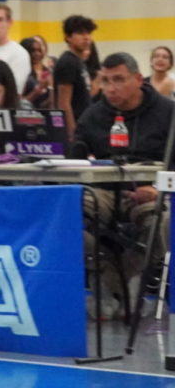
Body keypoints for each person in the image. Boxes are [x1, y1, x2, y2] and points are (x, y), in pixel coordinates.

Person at [75, 53, 175, 312]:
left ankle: (125, 277)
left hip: (153, 193)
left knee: (162, 224)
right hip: (104, 191)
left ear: (139, 79)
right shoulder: (93, 115)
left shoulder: (168, 113)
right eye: (105, 80)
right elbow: (73, 159)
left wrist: (158, 190)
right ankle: (106, 271)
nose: (110, 88)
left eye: (118, 80)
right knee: (67, 212)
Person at [54, 14, 97, 141]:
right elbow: (63, 102)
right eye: (80, 33)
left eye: (88, 33)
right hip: (75, 130)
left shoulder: (79, 61)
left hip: (84, 125)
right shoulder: (67, 62)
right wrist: (73, 134)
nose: (86, 37)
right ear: (68, 37)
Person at [21, 35, 53, 108]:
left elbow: (43, 106)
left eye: (39, 50)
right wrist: (38, 90)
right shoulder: (22, 73)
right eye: (33, 51)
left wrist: (51, 89)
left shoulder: (47, 71)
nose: (37, 54)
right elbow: (19, 103)